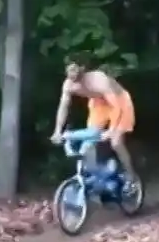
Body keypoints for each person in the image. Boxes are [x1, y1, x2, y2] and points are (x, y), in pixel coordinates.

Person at [50, 58, 139, 191]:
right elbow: (63, 107)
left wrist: (111, 130)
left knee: (116, 142)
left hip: (119, 101)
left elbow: (116, 106)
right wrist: (57, 131)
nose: (72, 74)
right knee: (89, 140)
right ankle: (97, 176)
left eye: (74, 70)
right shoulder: (68, 85)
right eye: (69, 71)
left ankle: (131, 177)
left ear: (82, 69)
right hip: (98, 103)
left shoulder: (99, 80)